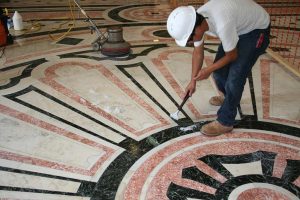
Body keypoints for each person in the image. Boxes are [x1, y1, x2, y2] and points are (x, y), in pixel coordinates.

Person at [167, 0, 270, 136]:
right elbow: (198, 53)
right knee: (219, 72)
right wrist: (193, 81)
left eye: (189, 39)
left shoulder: (222, 23)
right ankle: (228, 97)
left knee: (235, 77)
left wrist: (207, 70)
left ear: (196, 28)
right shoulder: (197, 20)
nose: (191, 42)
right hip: (238, 26)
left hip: (256, 29)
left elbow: (231, 56)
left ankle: (225, 121)